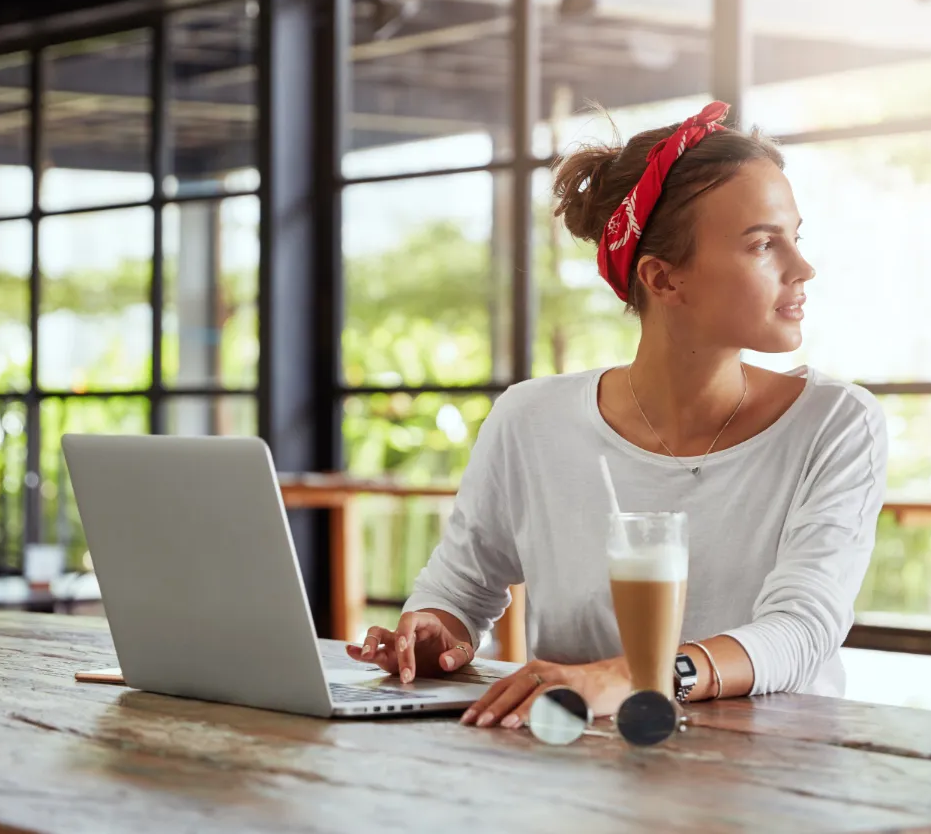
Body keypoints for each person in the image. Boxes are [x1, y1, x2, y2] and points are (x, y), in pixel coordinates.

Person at [346, 101, 888, 728]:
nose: (803, 268)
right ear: (663, 279)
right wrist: (432, 633)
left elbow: (802, 628)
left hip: (771, 783)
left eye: (796, 237)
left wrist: (642, 678)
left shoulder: (835, 422)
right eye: (764, 244)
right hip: (575, 769)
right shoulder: (530, 420)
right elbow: (457, 594)